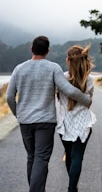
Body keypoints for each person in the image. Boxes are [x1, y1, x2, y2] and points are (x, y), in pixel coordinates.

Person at [6, 36, 92, 192]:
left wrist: (18, 113)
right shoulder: (53, 68)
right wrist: (86, 100)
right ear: (47, 51)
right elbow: (69, 90)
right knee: (41, 158)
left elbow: (9, 97)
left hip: (25, 121)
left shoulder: (19, 69)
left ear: (31, 48)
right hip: (45, 121)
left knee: (31, 157)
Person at [56, 44, 96, 192]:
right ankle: (72, 188)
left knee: (69, 155)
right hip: (83, 123)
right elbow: (89, 102)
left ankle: (73, 187)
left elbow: (58, 97)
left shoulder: (61, 79)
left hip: (65, 124)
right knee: (78, 157)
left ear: (68, 61)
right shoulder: (89, 79)